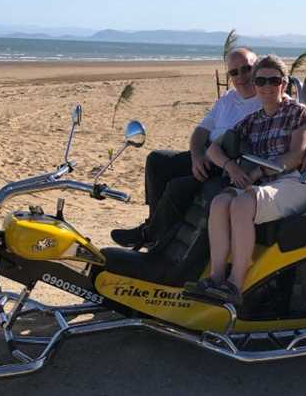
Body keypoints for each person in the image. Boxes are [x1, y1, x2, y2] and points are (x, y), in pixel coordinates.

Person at [186, 55, 306, 305]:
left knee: (241, 204)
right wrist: (231, 167)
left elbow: (294, 156)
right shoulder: (253, 119)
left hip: (292, 182)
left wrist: (259, 172)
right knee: (219, 202)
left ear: (284, 83)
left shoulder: (297, 113)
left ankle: (235, 284)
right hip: (261, 185)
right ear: (255, 85)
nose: (267, 87)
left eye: (274, 80)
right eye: (260, 81)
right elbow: (214, 149)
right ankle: (215, 278)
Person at [111, 47, 262, 248]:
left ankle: (150, 235)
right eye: (234, 72)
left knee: (177, 186)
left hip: (228, 162)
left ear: (257, 67)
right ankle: (154, 225)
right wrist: (196, 156)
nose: (241, 76)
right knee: (157, 160)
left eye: (246, 69)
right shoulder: (228, 98)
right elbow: (201, 131)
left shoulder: (266, 98)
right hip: (207, 153)